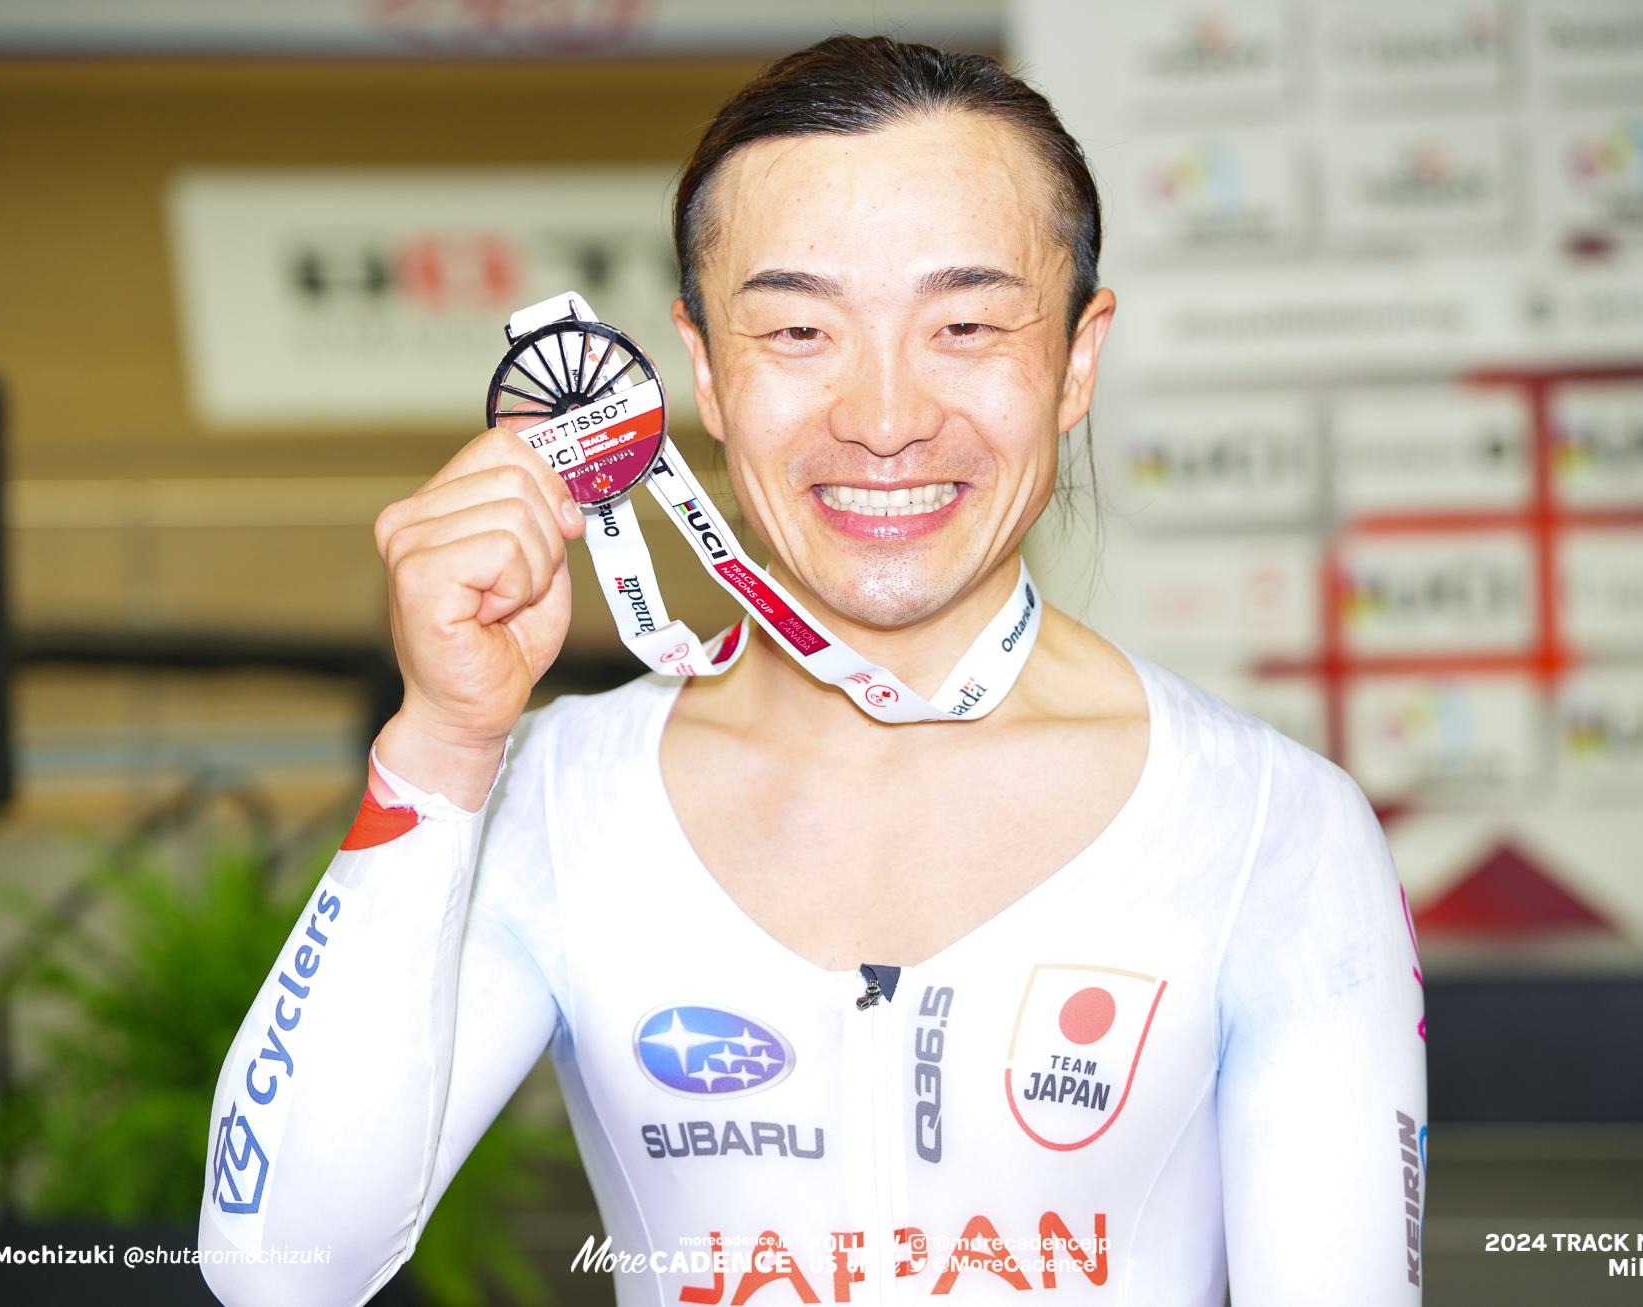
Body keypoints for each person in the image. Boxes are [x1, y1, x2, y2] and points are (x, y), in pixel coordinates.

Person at [199, 35, 1426, 1307]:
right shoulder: (556, 796)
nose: (885, 415)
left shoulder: (1270, 823)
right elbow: (277, 1268)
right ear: (705, 371)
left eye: (964, 323)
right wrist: (445, 752)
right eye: (797, 328)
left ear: (1075, 360)